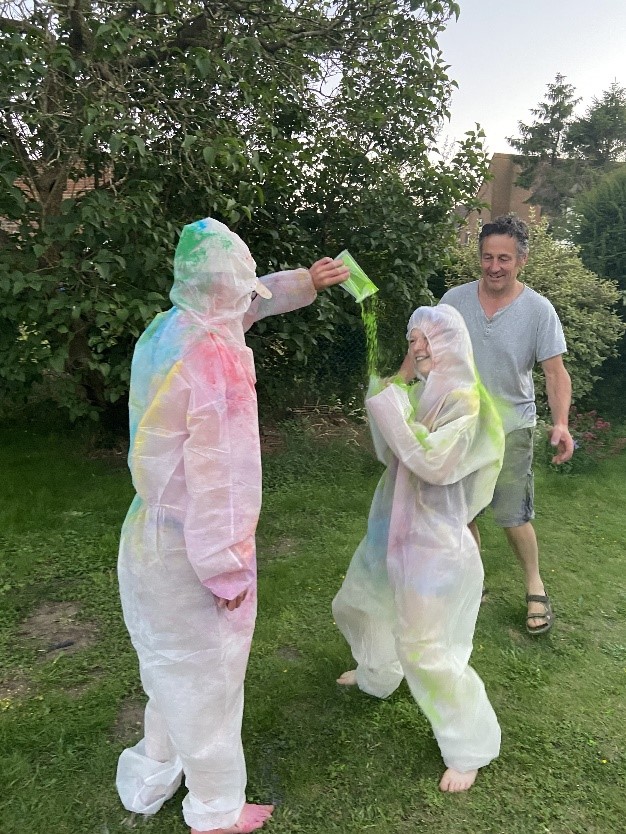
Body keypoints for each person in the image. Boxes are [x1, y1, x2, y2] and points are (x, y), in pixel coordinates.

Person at [115, 217, 348, 834]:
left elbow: (247, 303)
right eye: (245, 284)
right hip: (195, 542)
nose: (251, 297)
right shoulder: (216, 362)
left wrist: (306, 282)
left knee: (168, 666)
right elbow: (224, 478)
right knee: (211, 677)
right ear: (230, 286)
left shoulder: (169, 330)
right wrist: (228, 569)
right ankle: (216, 809)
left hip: (149, 536)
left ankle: (150, 775)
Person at [332, 304, 505, 793]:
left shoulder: (467, 400)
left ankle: (468, 745)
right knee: (364, 600)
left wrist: (395, 398)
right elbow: (389, 449)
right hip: (395, 521)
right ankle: (376, 673)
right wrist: (400, 384)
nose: (418, 348)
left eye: (426, 339)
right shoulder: (426, 390)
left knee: (427, 647)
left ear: (451, 342)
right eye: (412, 340)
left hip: (434, 537)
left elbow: (430, 460)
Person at [440, 215, 574, 635]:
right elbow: (428, 348)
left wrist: (562, 423)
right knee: (460, 512)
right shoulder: (454, 301)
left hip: (511, 427)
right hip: (460, 424)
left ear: (521, 261)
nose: (494, 266)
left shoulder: (538, 311)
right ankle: (471, 582)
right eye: (486, 257)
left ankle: (535, 586)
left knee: (513, 515)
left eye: (503, 258)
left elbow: (555, 373)